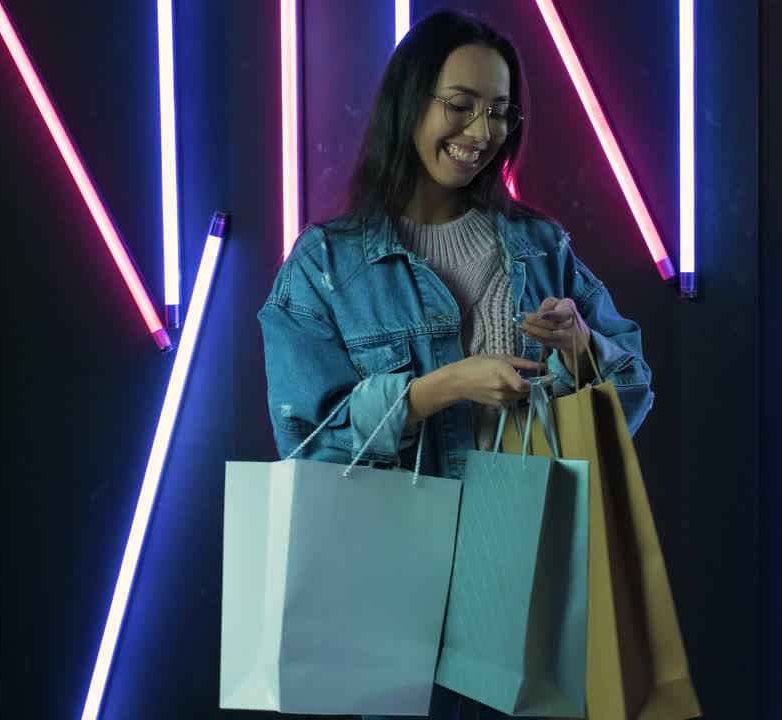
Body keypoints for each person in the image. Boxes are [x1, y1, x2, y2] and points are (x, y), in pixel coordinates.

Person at [258, 10, 653, 718]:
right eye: (460, 106)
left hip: (525, 572)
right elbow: (308, 445)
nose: (480, 134)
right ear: (411, 101)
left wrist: (580, 350)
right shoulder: (326, 264)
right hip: (389, 584)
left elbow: (631, 395)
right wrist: (436, 390)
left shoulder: (538, 245)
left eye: (499, 114)